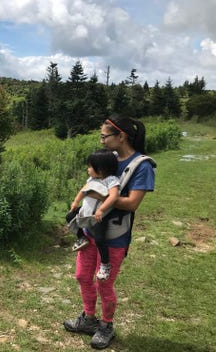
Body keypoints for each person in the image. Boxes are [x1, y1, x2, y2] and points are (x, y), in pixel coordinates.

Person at [63, 115, 156, 350]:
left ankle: (106, 326)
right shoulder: (109, 159)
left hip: (114, 236)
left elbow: (133, 203)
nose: (102, 141)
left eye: (105, 136)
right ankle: (88, 319)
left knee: (104, 283)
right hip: (91, 231)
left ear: (121, 136)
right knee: (83, 276)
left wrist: (102, 197)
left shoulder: (141, 166)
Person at [66, 149, 120, 281]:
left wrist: (101, 210)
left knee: (100, 239)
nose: (88, 169)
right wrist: (76, 201)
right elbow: (83, 190)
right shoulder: (91, 178)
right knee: (69, 216)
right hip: (86, 211)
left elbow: (113, 196)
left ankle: (105, 264)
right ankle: (81, 238)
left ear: (100, 170)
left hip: (99, 217)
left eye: (90, 166)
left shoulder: (111, 180)